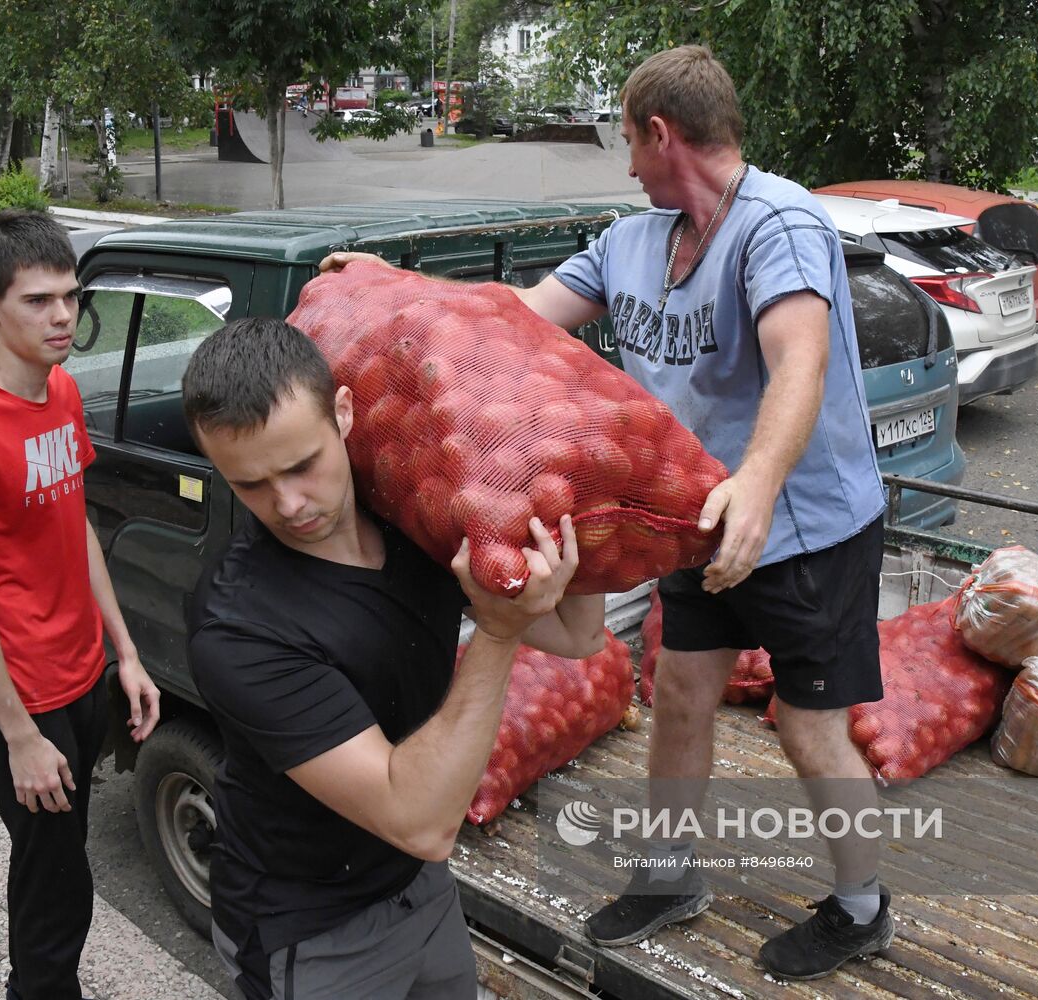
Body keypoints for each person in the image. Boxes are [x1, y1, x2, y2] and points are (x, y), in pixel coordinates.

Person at [324, 43, 892, 981]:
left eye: (628, 141)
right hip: (701, 525)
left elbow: (802, 361)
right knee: (677, 691)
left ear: (663, 133)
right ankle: (670, 874)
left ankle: (863, 907)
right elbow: (510, 316)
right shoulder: (632, 242)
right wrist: (394, 285)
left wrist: (755, 488)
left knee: (807, 727)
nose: (624, 162)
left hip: (806, 528)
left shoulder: (779, 225)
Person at [181, 318, 605, 1000]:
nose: (288, 504)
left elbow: (577, 636)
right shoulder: (240, 629)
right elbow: (421, 820)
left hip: (418, 886)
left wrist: (565, 510)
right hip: (313, 931)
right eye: (251, 485)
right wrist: (496, 637)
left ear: (343, 413)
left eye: (301, 466)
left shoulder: (411, 516)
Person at [0, 209, 161, 1000]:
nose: (63, 317)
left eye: (70, 297)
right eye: (38, 301)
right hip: (22, 701)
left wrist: (125, 653)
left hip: (86, 677)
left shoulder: (58, 390)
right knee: (52, 892)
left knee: (64, 860)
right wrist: (18, 735)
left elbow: (74, 522)